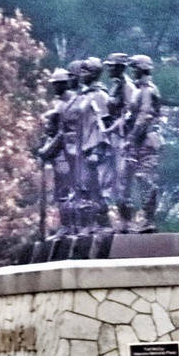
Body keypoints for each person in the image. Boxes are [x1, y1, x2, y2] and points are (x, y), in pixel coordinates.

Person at [69, 57, 112, 232]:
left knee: (95, 188)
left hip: (94, 148)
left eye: (85, 72)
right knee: (83, 187)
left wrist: (99, 149)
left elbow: (104, 124)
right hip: (82, 147)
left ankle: (103, 223)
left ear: (94, 74)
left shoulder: (100, 95)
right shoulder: (84, 95)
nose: (81, 75)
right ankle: (89, 224)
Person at [122, 54, 163, 233]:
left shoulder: (147, 90)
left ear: (142, 68)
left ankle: (148, 219)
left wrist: (131, 138)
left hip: (147, 139)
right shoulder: (140, 90)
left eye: (135, 67)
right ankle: (142, 219)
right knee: (137, 179)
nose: (132, 71)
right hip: (141, 140)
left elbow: (144, 115)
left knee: (145, 178)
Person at [37, 68, 76, 237]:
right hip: (59, 153)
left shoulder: (72, 102)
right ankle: (66, 225)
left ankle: (72, 225)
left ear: (63, 84)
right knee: (61, 191)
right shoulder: (60, 103)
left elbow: (63, 133)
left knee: (67, 191)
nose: (54, 88)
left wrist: (47, 150)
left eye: (56, 84)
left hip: (69, 154)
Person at [102, 53, 138, 231]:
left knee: (123, 183)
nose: (108, 69)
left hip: (124, 140)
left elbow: (130, 115)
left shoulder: (128, 87)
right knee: (112, 183)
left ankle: (127, 222)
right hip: (114, 139)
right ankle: (122, 222)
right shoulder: (115, 86)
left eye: (111, 66)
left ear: (120, 67)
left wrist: (114, 126)